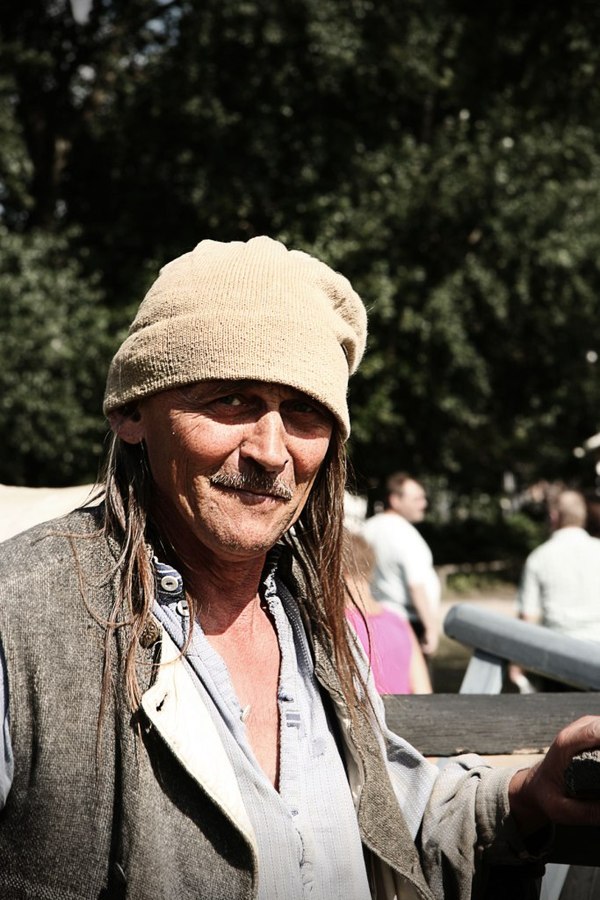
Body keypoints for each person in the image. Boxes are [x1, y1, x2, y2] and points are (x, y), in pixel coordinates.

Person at [1, 236, 600, 899]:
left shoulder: (309, 619)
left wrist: (529, 794)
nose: (270, 450)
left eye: (304, 411)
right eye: (231, 400)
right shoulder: (23, 618)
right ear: (131, 412)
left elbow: (387, 823)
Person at [343, 530, 432, 695]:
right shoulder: (399, 621)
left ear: (342, 574)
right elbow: (423, 691)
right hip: (405, 711)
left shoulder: (340, 625)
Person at [363, 472, 441, 656]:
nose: (424, 504)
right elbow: (416, 586)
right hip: (409, 624)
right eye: (417, 499)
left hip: (377, 621)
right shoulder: (405, 534)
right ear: (395, 500)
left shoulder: (367, 529)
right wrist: (431, 628)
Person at [517, 489, 600, 642]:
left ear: (554, 516)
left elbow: (527, 618)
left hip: (557, 647)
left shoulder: (539, 557)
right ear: (583, 516)